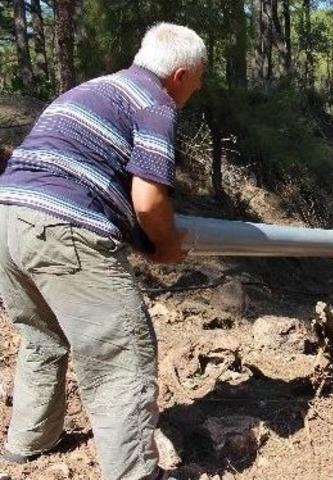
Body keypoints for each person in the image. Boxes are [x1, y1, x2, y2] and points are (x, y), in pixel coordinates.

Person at [0, 23, 205, 480]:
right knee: (122, 353)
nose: (196, 88)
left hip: (8, 217)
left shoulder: (94, 89)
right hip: (60, 225)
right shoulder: (155, 103)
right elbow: (148, 202)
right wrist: (167, 246)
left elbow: (89, 177)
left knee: (40, 336)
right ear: (180, 74)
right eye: (198, 78)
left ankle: (29, 441)